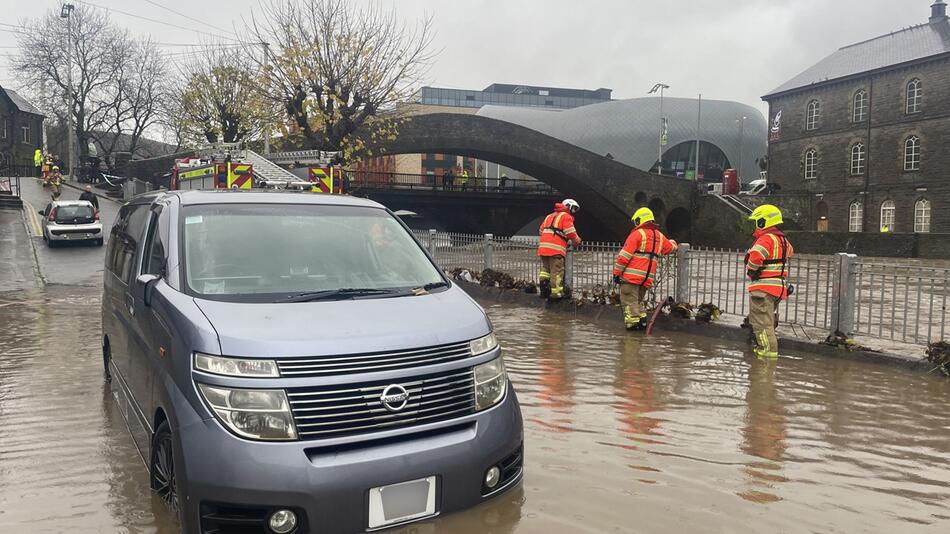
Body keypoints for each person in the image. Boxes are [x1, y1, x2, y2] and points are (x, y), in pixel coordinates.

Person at [612, 207, 678, 330]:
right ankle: (642, 326)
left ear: (639, 220)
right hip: (646, 280)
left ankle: (632, 337)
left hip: (631, 279)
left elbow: (623, 257)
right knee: (637, 303)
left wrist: (616, 274)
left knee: (629, 304)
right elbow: (671, 248)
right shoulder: (659, 236)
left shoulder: (636, 235)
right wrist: (674, 242)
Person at [745, 204, 794, 359]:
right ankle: (766, 352)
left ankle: (766, 355)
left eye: (757, 220)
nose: (755, 224)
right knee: (768, 321)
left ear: (763, 221)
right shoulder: (784, 240)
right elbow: (791, 253)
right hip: (778, 288)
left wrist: (751, 270)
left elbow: (756, 256)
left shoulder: (766, 238)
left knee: (762, 325)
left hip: (763, 289)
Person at [537, 199, 582, 299]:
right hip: (555, 250)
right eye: (573, 209)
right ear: (568, 206)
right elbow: (570, 232)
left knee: (545, 270)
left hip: (543, 248)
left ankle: (543, 291)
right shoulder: (566, 216)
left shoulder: (549, 216)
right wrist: (578, 241)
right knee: (557, 271)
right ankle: (556, 294)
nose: (573, 211)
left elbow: (541, 231)